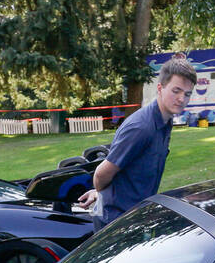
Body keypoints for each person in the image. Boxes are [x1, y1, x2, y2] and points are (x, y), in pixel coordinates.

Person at [78, 58, 196, 227]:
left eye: (187, 94)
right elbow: (101, 174)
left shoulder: (166, 121)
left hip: (136, 217)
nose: (181, 99)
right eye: (176, 91)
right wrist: (102, 194)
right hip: (116, 223)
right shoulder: (141, 128)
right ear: (160, 88)